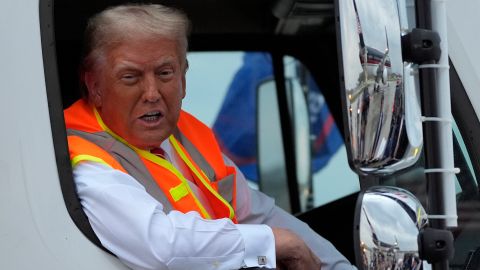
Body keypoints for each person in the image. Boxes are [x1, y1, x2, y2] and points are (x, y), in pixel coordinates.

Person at [64, 3, 355, 270]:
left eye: (165, 73)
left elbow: (260, 214)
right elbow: (161, 244)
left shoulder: (187, 136)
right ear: (94, 85)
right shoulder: (84, 159)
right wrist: (271, 243)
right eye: (130, 77)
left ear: (183, 78)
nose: (152, 94)